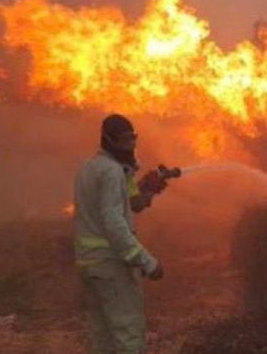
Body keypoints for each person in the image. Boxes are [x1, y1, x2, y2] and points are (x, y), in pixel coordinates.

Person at [73, 114, 166, 354]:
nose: (131, 145)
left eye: (133, 139)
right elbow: (114, 222)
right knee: (128, 333)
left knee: (103, 336)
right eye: (125, 140)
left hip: (89, 264)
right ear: (109, 140)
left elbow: (133, 203)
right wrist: (146, 261)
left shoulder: (90, 168)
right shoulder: (112, 172)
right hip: (111, 265)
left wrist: (149, 189)